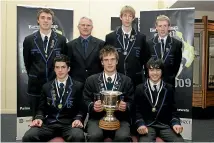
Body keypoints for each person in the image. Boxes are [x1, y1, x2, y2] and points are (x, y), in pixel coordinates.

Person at [22, 54, 86, 142]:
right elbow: (41, 108)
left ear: (68, 69)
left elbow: (81, 109)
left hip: (69, 124)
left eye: (63, 67)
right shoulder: (46, 87)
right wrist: (39, 118)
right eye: (57, 67)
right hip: (49, 124)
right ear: (54, 69)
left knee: (78, 136)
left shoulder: (78, 86)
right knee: (29, 136)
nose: (60, 70)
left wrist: (78, 119)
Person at [23, 8, 68, 119]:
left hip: (55, 84)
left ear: (52, 22)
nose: (46, 20)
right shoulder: (29, 40)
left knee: (55, 118)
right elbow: (27, 62)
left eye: (49, 18)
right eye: (42, 18)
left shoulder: (61, 39)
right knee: (37, 118)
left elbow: (64, 60)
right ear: (38, 20)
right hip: (35, 86)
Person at [84, 45, 134, 142]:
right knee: (94, 135)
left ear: (117, 61)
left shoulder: (126, 81)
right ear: (102, 62)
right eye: (106, 60)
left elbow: (132, 102)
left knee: (123, 137)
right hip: (97, 118)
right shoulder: (91, 80)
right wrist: (93, 106)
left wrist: (126, 106)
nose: (109, 63)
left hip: (120, 118)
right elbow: (85, 100)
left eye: (112, 59)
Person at [134, 58, 184, 142]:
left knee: (179, 142)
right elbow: (136, 111)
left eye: (158, 69)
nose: (155, 73)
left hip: (165, 126)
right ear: (147, 71)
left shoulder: (169, 88)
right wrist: (140, 124)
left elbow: (173, 111)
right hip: (147, 126)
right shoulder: (139, 88)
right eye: (151, 70)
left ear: (162, 71)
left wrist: (176, 123)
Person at [105, 5, 150, 87]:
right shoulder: (110, 37)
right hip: (116, 79)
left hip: (136, 80)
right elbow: (106, 60)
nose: (127, 18)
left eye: (130, 16)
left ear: (133, 19)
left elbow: (145, 60)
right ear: (120, 17)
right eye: (125, 15)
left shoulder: (141, 37)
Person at [147, 15, 182, 87]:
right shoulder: (149, 44)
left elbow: (177, 64)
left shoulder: (177, 44)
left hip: (169, 82)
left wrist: (171, 76)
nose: (162, 29)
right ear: (156, 27)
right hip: (152, 81)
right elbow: (146, 64)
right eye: (160, 26)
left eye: (165, 26)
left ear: (169, 27)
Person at [67, 17, 105, 83]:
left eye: (88, 25)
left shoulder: (101, 44)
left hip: (95, 83)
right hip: (76, 84)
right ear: (78, 27)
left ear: (92, 28)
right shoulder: (70, 45)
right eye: (83, 25)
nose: (85, 27)